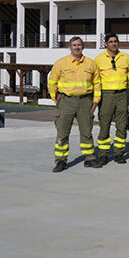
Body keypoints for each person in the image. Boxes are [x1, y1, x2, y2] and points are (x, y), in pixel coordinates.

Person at [49, 37, 101, 172]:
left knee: (86, 132)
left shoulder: (91, 64)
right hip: (66, 101)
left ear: (83, 47)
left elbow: (97, 83)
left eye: (79, 45)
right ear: (70, 47)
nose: (77, 47)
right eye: (74, 45)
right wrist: (57, 101)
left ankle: (89, 158)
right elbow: (52, 82)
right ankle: (61, 161)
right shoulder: (61, 63)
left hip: (85, 101)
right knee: (62, 133)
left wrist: (96, 100)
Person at [94, 33, 129, 165]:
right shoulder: (98, 60)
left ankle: (119, 153)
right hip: (106, 95)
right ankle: (103, 155)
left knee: (122, 125)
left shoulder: (126, 58)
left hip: (122, 94)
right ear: (105, 43)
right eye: (111, 41)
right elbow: (96, 80)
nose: (114, 44)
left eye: (115, 41)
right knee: (105, 125)